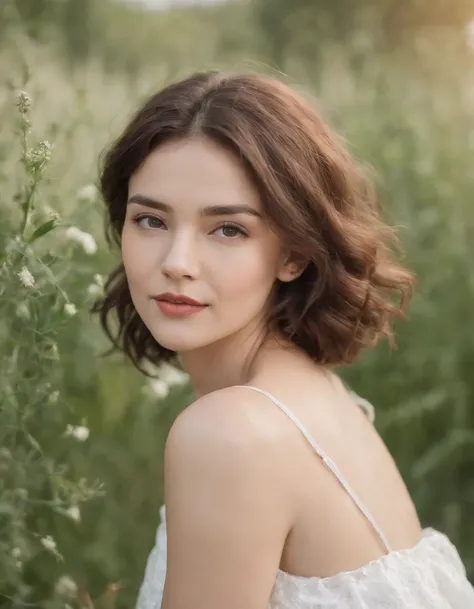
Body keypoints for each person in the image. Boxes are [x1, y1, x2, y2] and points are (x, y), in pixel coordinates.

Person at [92, 70, 474, 609]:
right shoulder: (311, 392)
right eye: (151, 220)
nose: (176, 263)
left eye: (228, 229)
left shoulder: (231, 435)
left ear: (294, 253)